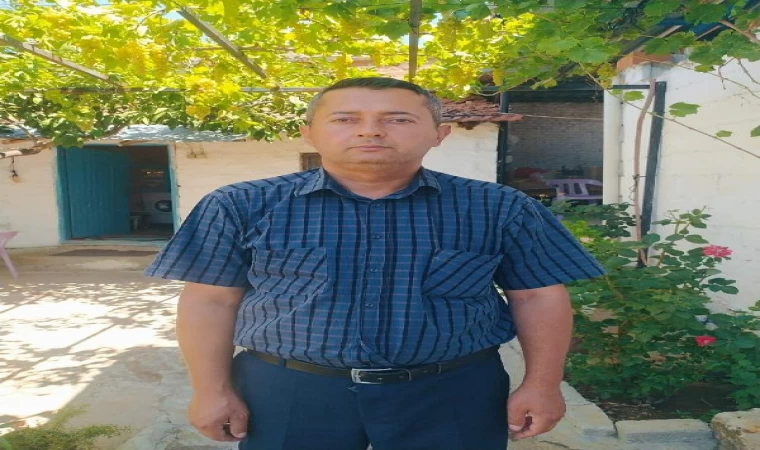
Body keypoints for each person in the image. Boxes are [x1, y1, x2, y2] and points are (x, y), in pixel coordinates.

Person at [144, 77, 605, 450]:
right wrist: (211, 390)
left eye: (397, 119)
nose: (370, 131)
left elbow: (538, 296)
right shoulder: (239, 205)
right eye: (346, 119)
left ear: (439, 134)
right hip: (288, 390)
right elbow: (210, 301)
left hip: (452, 390)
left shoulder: (499, 207)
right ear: (309, 132)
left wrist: (543, 385)